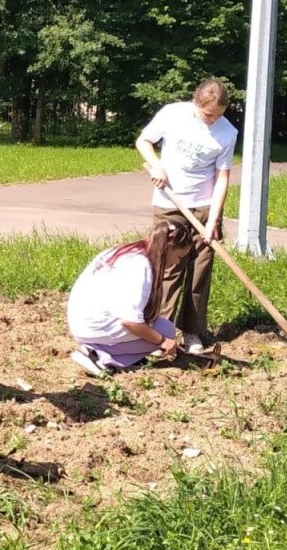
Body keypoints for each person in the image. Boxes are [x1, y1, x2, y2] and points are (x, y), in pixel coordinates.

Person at [135, 78, 238, 355]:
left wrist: (213, 221)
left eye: (219, 114)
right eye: (208, 114)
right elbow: (143, 141)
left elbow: (222, 178)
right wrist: (157, 166)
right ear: (196, 102)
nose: (213, 120)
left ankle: (192, 330)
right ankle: (160, 331)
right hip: (170, 202)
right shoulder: (173, 113)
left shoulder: (227, 132)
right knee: (168, 268)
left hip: (204, 206)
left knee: (200, 270)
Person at [67, 222, 193, 375]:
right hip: (94, 326)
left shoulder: (127, 250)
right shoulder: (141, 266)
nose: (177, 262)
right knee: (166, 331)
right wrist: (163, 341)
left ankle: (111, 352)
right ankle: (99, 355)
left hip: (82, 317)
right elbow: (130, 322)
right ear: (169, 247)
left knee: (158, 328)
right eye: (179, 256)